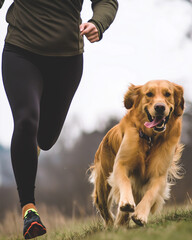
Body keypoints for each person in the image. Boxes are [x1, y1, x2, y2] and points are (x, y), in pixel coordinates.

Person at [1, 0, 118, 239]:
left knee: (45, 138)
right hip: (21, 50)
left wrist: (98, 23)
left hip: (67, 59)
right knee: (26, 120)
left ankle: (31, 147)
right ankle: (28, 210)